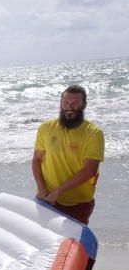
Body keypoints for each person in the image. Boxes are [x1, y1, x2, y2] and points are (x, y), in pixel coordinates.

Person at [32, 85, 105, 224]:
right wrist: (42, 189)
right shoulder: (46, 128)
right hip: (47, 198)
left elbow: (89, 171)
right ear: (60, 103)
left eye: (75, 103)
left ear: (84, 104)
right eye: (66, 103)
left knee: (73, 243)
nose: (69, 107)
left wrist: (58, 192)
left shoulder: (94, 133)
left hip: (79, 203)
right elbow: (37, 160)